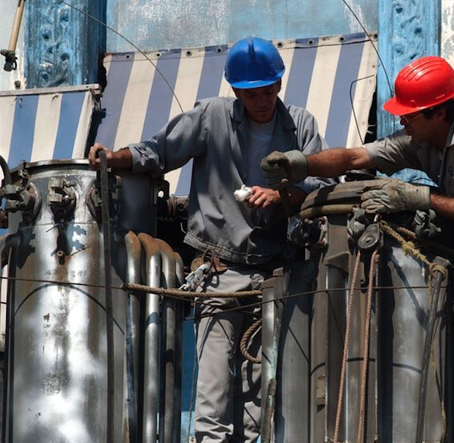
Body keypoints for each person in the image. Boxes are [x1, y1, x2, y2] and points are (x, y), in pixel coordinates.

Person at [261, 56, 454, 442]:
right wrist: (298, 164)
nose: (402, 122)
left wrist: (417, 197)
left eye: (410, 115)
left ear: (437, 112)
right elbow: (355, 157)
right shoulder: (422, 143)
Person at [89, 37, 332, 442]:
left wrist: (283, 194)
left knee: (259, 405)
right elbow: (158, 151)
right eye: (252, 93)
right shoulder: (212, 115)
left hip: (277, 277)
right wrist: (114, 158)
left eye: (269, 90)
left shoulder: (302, 125)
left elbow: (323, 184)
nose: (263, 100)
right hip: (219, 275)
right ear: (236, 91)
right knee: (213, 400)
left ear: (280, 85)